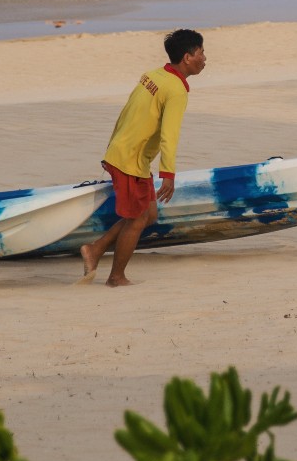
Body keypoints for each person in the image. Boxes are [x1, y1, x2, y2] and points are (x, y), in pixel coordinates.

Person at [79, 28, 207, 287]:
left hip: (125, 153)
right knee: (138, 219)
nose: (205, 58)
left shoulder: (153, 75)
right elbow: (169, 137)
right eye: (201, 52)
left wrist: (113, 148)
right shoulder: (176, 90)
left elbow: (126, 111)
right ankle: (116, 277)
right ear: (187, 57)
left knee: (148, 215)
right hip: (129, 159)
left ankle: (95, 249)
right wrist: (168, 175)